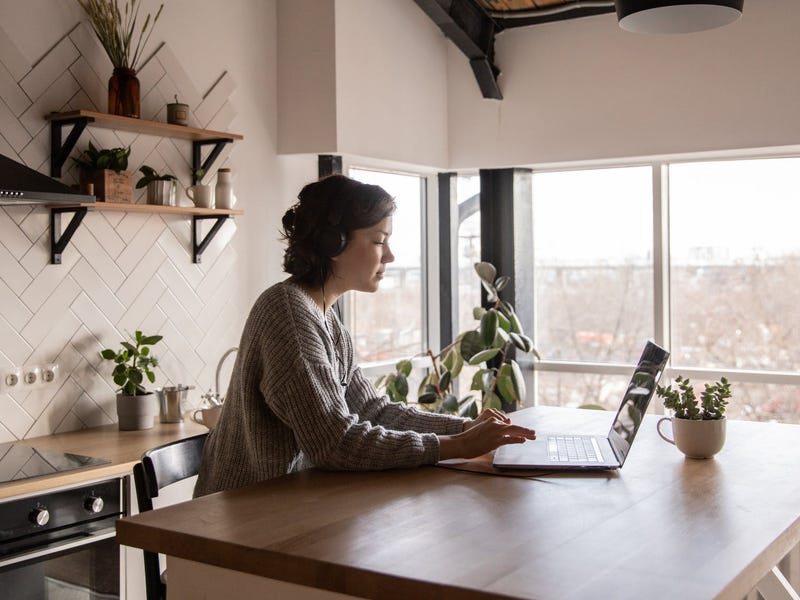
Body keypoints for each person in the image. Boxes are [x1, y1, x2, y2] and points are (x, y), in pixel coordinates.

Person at [194, 174, 536, 496]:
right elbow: (334, 443)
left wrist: (465, 429)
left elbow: (372, 410)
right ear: (333, 243)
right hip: (234, 522)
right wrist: (456, 446)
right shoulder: (288, 315)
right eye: (379, 241)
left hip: (287, 505)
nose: (389, 255)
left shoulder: (325, 320)